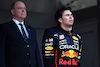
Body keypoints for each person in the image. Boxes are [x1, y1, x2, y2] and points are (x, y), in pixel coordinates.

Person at [0, 1, 42, 67]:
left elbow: (36, 52)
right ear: (13, 11)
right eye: (20, 8)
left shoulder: (32, 30)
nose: (23, 11)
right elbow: (1, 52)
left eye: (24, 9)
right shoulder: (4, 28)